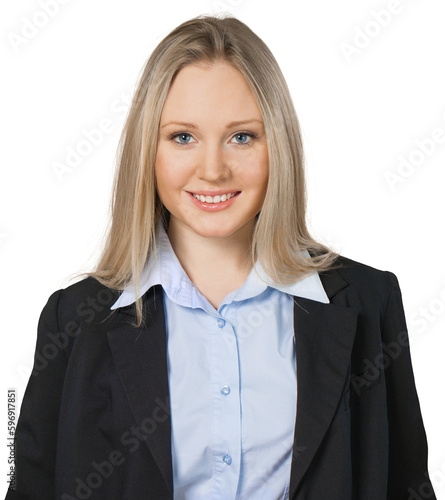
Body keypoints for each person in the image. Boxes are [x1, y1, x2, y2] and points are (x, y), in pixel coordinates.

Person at [6, 14, 436, 500]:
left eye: (242, 136)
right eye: (182, 137)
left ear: (279, 147)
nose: (212, 169)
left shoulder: (367, 302)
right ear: (148, 149)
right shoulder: (75, 319)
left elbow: (405, 485)